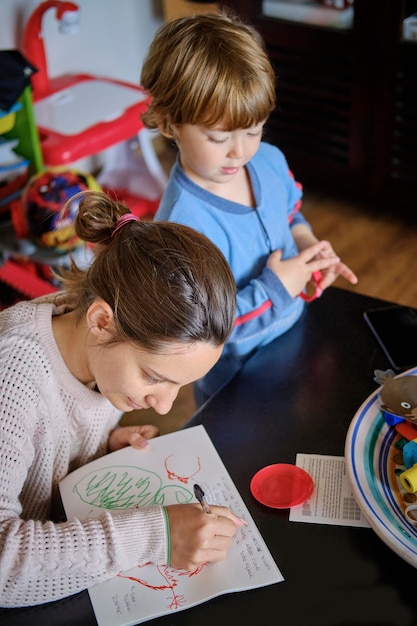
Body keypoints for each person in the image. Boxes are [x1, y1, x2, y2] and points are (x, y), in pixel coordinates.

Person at [0, 190, 244, 608]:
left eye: (179, 386)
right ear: (100, 320)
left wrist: (93, 453)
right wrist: (156, 536)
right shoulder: (11, 374)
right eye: (154, 377)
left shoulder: (96, 349)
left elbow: (47, 440)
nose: (165, 406)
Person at [140, 11, 359, 405]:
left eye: (254, 130)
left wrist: (308, 246)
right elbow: (204, 331)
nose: (240, 151)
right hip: (234, 384)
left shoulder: (269, 160)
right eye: (218, 136)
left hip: (294, 335)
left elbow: (289, 212)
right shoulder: (180, 229)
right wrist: (277, 287)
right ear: (169, 123)